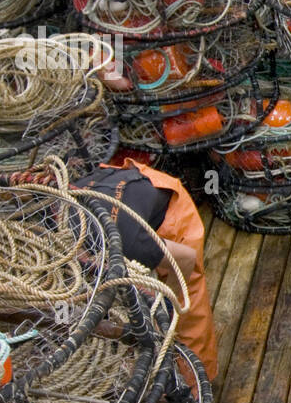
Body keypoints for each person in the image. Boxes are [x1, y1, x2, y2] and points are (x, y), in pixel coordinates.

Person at [73, 160, 220, 381]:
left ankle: (194, 383)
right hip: (107, 183)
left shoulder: (131, 244)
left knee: (185, 297)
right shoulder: (54, 225)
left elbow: (184, 260)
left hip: (158, 194)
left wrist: (167, 310)